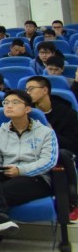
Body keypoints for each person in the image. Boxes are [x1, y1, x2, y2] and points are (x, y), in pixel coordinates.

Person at [0, 90, 58, 252]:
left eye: (15, 102)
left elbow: (48, 161)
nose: (9, 106)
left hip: (35, 178)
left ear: (27, 108)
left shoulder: (45, 132)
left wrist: (20, 170)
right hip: (7, 174)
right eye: (6, 102)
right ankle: (0, 219)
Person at [25, 76, 78, 220]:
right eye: (26, 90)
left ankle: (72, 201)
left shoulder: (67, 113)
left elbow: (73, 143)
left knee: (62, 154)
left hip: (62, 152)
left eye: (31, 89)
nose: (27, 93)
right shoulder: (27, 113)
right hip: (32, 151)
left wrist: (51, 134)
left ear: (45, 90)